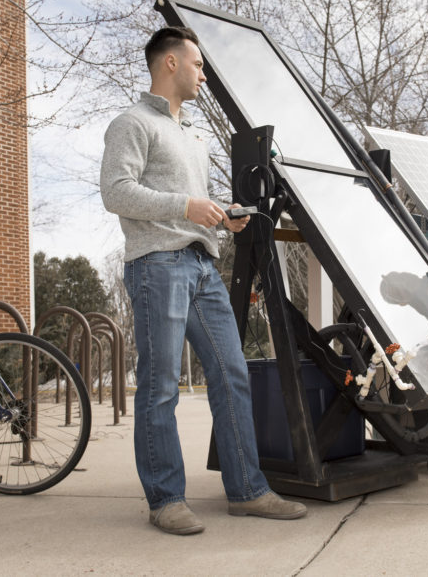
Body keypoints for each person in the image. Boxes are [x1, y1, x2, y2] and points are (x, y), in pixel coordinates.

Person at [100, 26, 307, 534]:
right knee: (160, 386)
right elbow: (116, 192)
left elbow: (190, 204)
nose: (203, 74)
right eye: (197, 64)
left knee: (232, 374)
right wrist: (187, 206)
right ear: (170, 62)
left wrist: (219, 215)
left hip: (201, 264)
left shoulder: (194, 134)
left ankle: (248, 490)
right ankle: (166, 500)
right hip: (156, 265)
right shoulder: (131, 123)